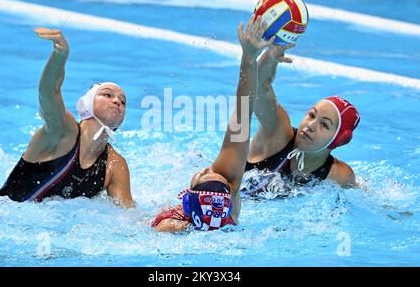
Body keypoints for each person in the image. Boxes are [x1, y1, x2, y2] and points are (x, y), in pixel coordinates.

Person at [152, 15, 272, 232]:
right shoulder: (230, 203)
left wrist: (248, 57)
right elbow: (243, 112)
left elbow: (245, 111)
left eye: (203, 174)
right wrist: (251, 58)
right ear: (231, 196)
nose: (208, 168)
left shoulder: (170, 225)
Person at [0, 28, 135, 207]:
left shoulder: (115, 165)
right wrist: (60, 56)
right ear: (86, 105)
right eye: (107, 95)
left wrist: (174, 218)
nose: (117, 101)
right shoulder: (63, 131)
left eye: (123, 101)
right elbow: (48, 92)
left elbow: (129, 217)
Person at [242, 40, 360, 197]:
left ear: (339, 140)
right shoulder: (278, 133)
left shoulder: (338, 176)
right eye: (311, 115)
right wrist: (271, 55)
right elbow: (257, 89)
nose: (310, 125)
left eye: (324, 125)